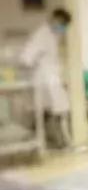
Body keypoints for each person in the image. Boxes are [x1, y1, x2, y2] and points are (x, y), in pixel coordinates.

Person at [20, 8, 71, 149]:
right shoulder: (42, 34)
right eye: (61, 23)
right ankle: (60, 142)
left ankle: (60, 141)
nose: (62, 27)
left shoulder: (52, 35)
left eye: (64, 25)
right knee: (55, 110)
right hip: (44, 80)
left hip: (52, 79)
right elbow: (26, 58)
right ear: (54, 19)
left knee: (55, 110)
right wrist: (36, 66)